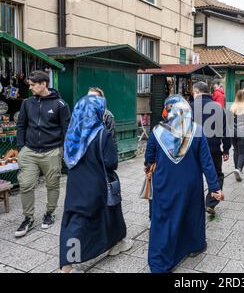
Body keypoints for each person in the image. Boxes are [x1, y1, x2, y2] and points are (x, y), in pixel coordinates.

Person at [144, 95, 223, 273]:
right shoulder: (197, 130)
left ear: (169, 109)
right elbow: (207, 163)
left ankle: (161, 262)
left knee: (164, 218)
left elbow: (149, 159)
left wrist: (150, 166)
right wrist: (214, 187)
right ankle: (195, 245)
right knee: (192, 213)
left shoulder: (157, 131)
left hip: (164, 183)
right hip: (190, 183)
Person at [59, 95, 130, 273]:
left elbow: (67, 160)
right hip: (97, 183)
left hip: (76, 183)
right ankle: (67, 267)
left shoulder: (71, 132)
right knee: (89, 218)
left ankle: (116, 243)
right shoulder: (102, 133)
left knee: (76, 218)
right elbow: (111, 162)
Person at [15, 71, 71, 238]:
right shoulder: (27, 103)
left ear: (44, 83)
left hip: (52, 151)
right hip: (30, 151)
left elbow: (66, 130)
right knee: (25, 184)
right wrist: (21, 148)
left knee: (52, 184)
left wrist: (61, 150)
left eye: (33, 85)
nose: (30, 88)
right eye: (30, 85)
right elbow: (21, 126)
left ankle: (50, 213)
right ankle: (28, 218)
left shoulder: (60, 104)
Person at [191, 82, 231, 216]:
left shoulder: (190, 107)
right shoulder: (219, 108)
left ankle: (193, 203)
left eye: (193, 92)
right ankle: (211, 203)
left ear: (196, 92)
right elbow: (226, 131)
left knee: (193, 175)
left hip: (193, 149)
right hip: (213, 148)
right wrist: (226, 149)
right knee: (216, 175)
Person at [228, 90, 244, 182]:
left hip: (233, 132)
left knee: (236, 150)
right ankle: (238, 168)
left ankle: (236, 168)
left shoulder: (232, 107)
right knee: (243, 152)